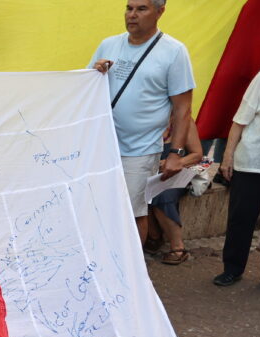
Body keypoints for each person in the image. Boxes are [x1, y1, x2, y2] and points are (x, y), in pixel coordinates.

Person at [90, 0, 194, 247]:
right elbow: (87, 89)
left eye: (141, 9)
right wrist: (95, 73)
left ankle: (131, 274)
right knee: (98, 206)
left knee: (133, 212)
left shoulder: (174, 51)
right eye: (129, 8)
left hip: (140, 149)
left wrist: (176, 154)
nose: (132, 15)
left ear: (160, 11)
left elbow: (183, 108)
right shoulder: (108, 44)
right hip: (103, 144)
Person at [214, 67, 260, 287]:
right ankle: (232, 269)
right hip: (252, 164)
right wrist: (227, 157)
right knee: (241, 219)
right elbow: (239, 120)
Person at [147, 118, 202, 265]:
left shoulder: (184, 121)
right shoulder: (146, 117)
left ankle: (178, 247)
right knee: (137, 190)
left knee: (161, 194)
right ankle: (154, 236)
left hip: (178, 174)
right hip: (151, 173)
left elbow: (197, 155)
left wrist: (173, 162)